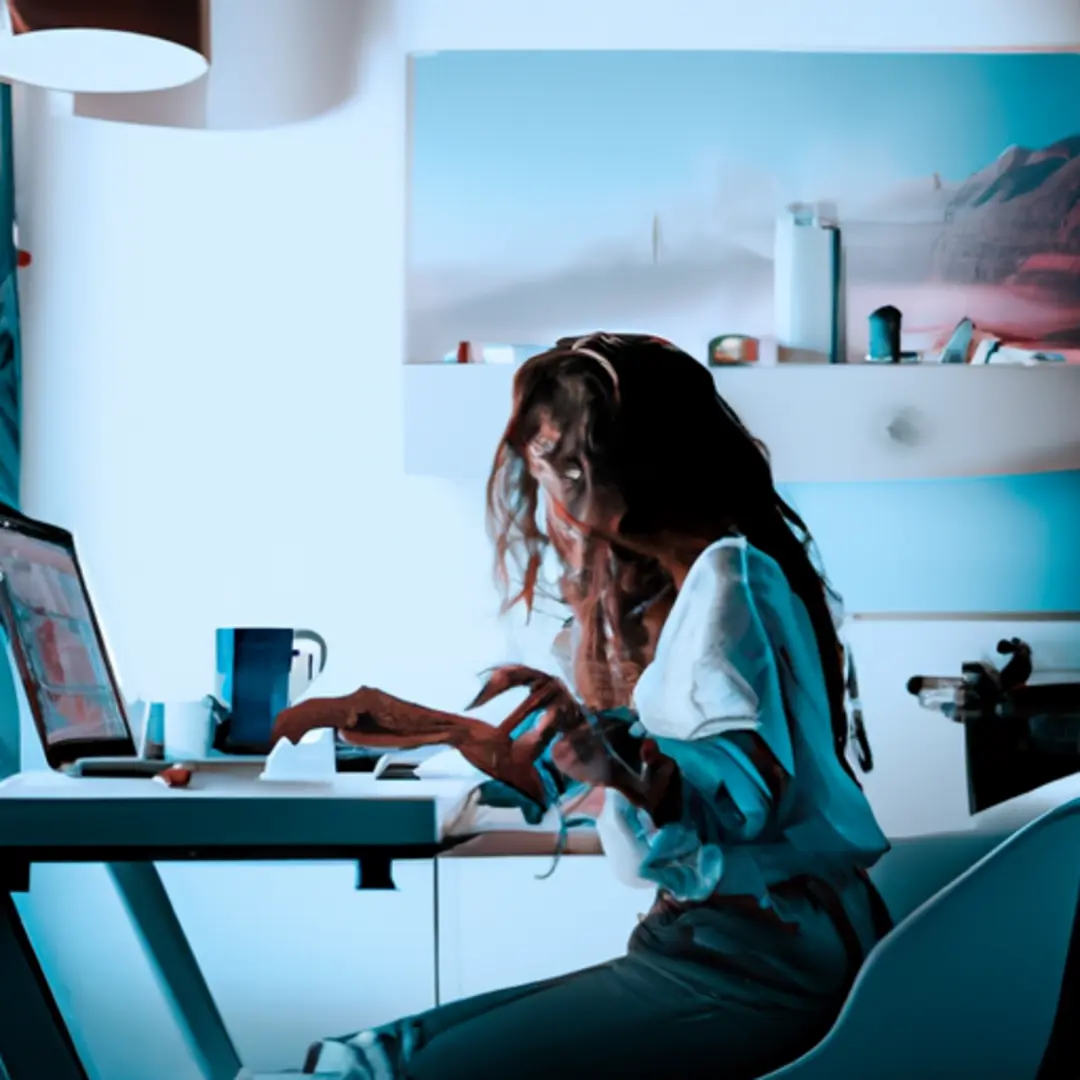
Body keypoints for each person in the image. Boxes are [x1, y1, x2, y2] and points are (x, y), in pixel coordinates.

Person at [292, 333, 893, 1080]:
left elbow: (727, 817)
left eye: (558, 469)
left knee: (376, 1068)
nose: (550, 504)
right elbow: (700, 771)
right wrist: (474, 735)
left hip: (756, 965)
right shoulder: (723, 580)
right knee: (371, 1060)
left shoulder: (728, 584)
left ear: (612, 471)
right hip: (749, 949)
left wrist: (624, 774)